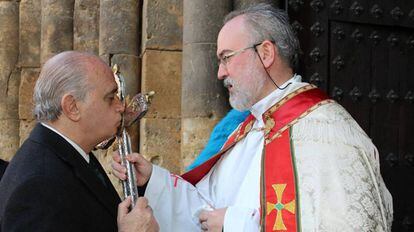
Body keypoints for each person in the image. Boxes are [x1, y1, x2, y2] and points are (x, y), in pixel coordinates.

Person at [112, 4, 393, 232]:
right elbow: (205, 209)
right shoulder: (249, 129)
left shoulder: (326, 132)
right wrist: (153, 180)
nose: (221, 72)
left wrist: (234, 225)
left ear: (266, 52)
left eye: (227, 57)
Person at [0, 51, 158, 232]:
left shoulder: (70, 153)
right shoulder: (39, 184)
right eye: (110, 97)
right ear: (72, 107)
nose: (121, 106)